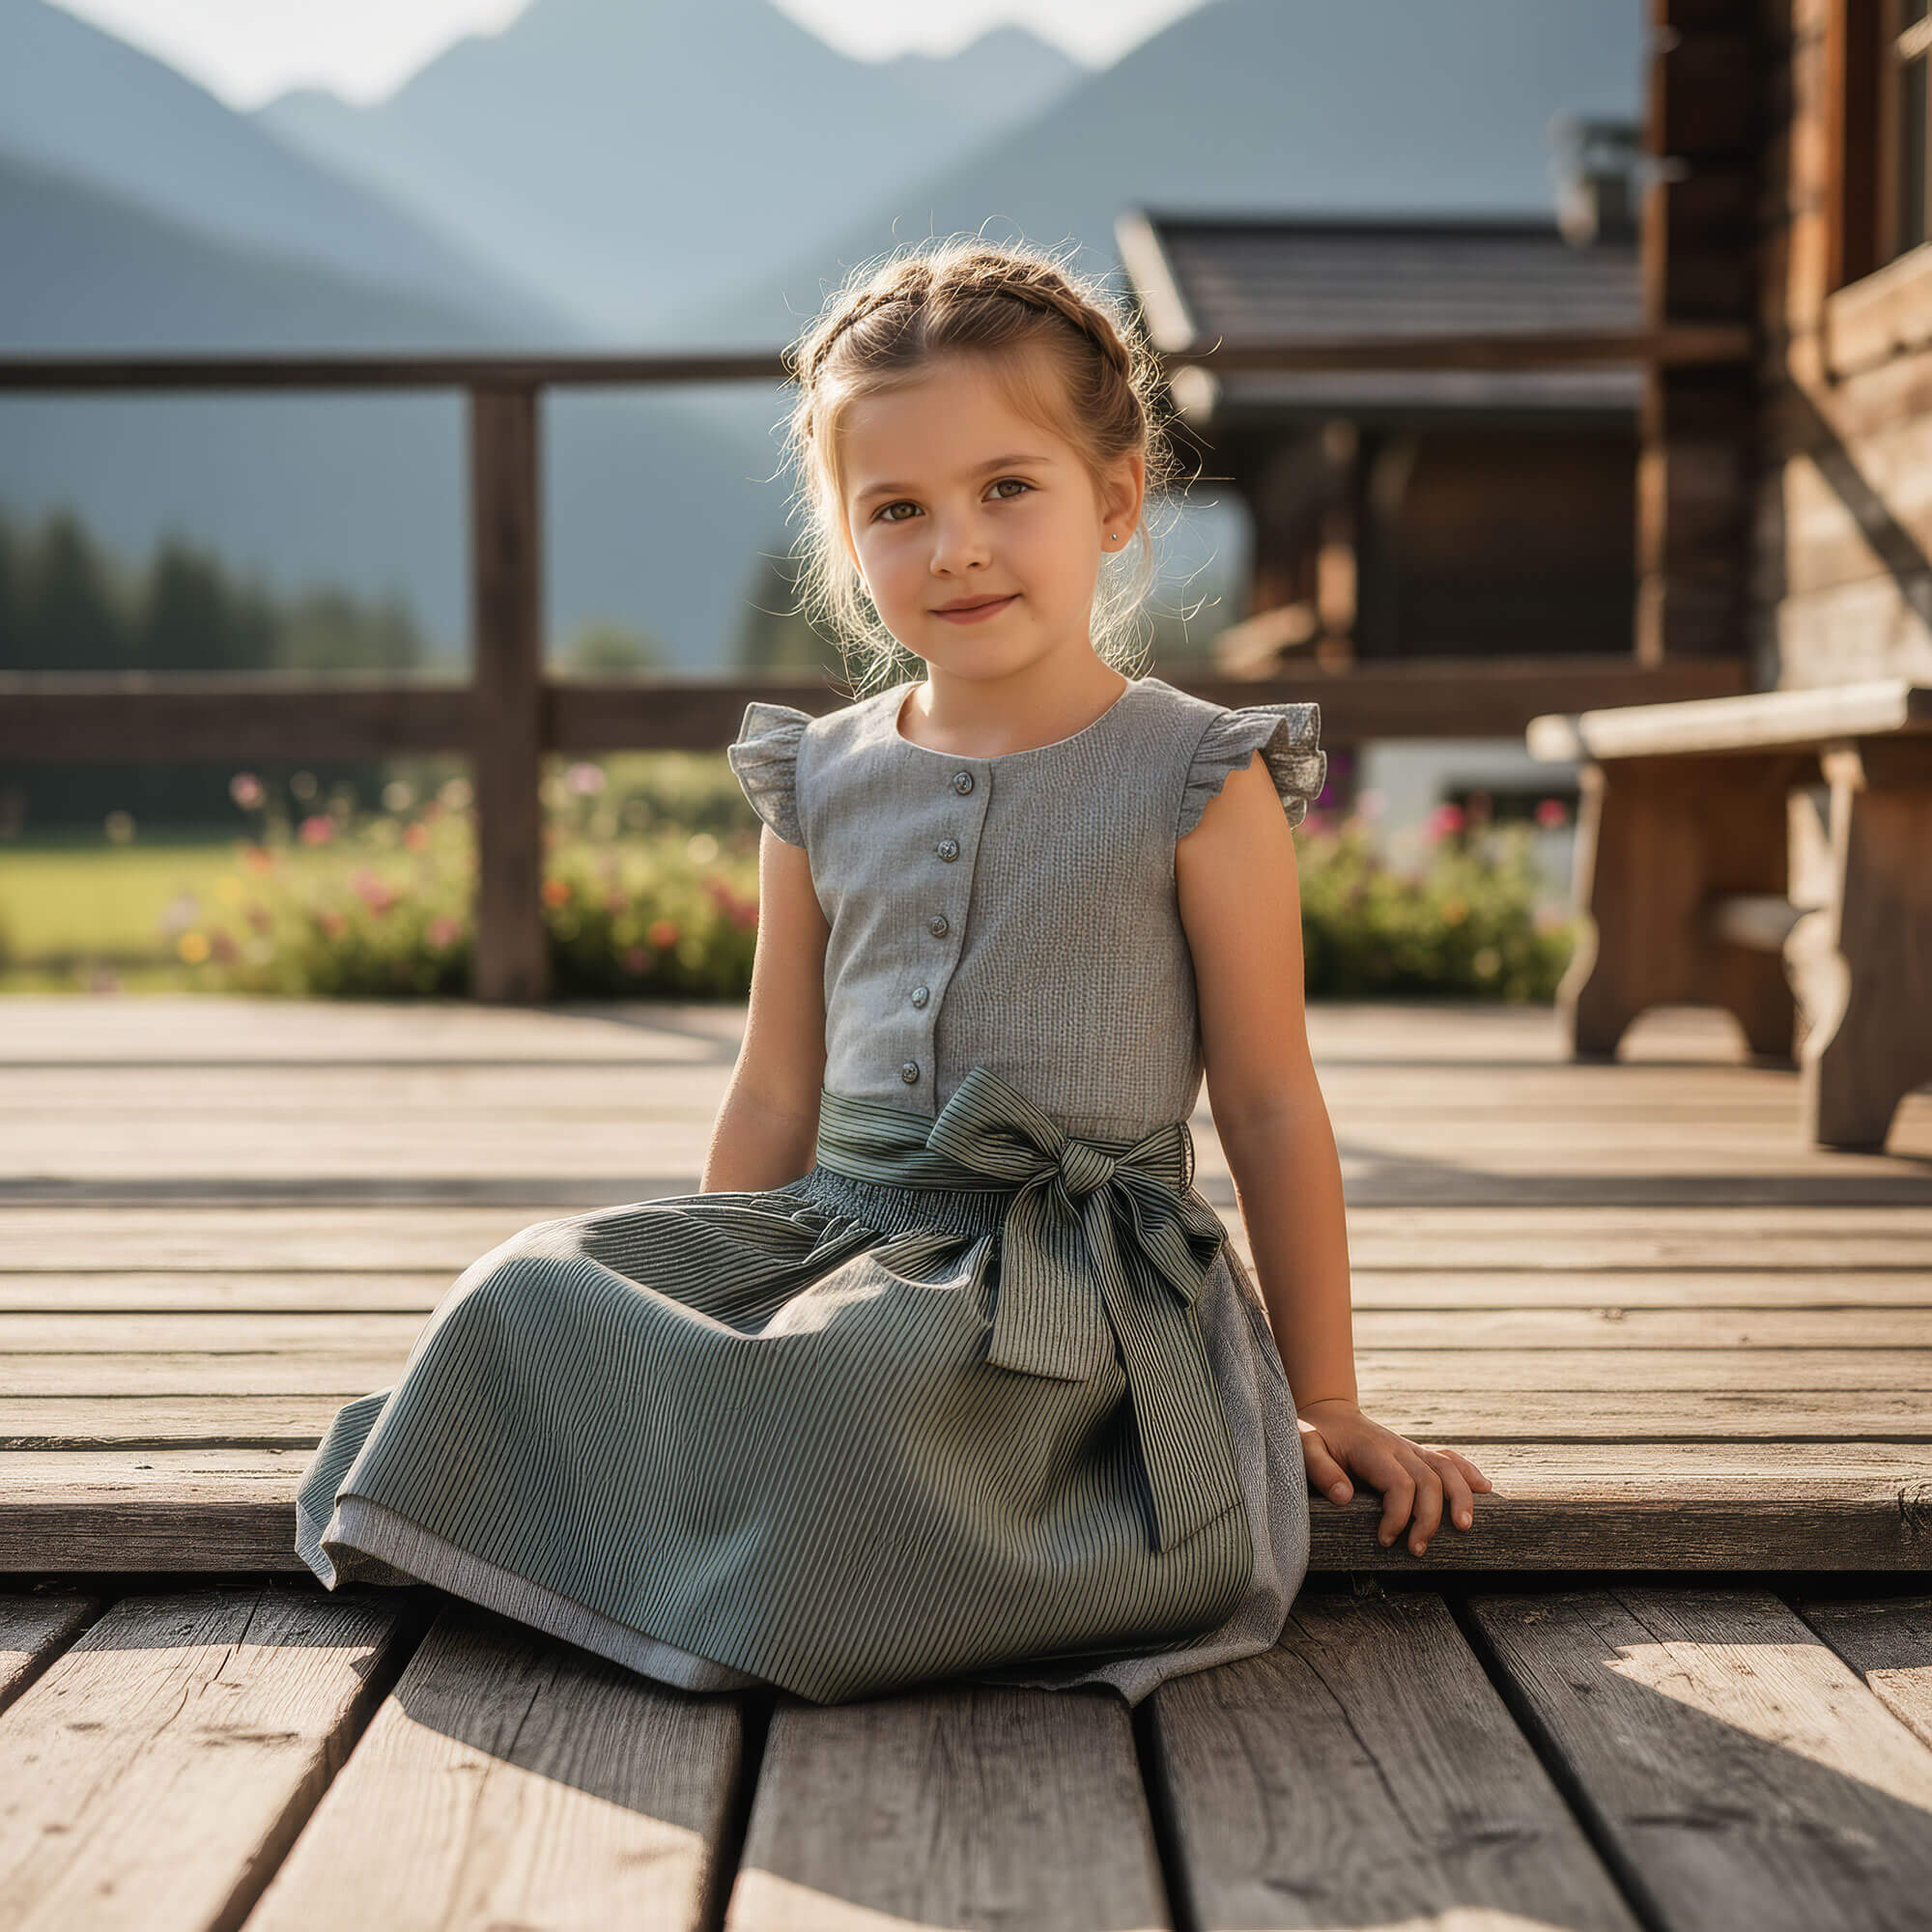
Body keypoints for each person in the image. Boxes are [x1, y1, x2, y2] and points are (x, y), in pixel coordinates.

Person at [293, 237, 1492, 1707]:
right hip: (836, 1234)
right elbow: (775, 1081)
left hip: (1067, 1295)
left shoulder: (1196, 773)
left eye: (1008, 489)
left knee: (863, 1398)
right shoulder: (822, 775)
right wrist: (708, 1339)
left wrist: (1325, 1399)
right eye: (899, 511)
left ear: (1115, 500)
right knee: (523, 1287)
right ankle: (726, 1497)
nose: (958, 547)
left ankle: (761, 1563)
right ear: (848, 541)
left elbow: (1268, 1100)